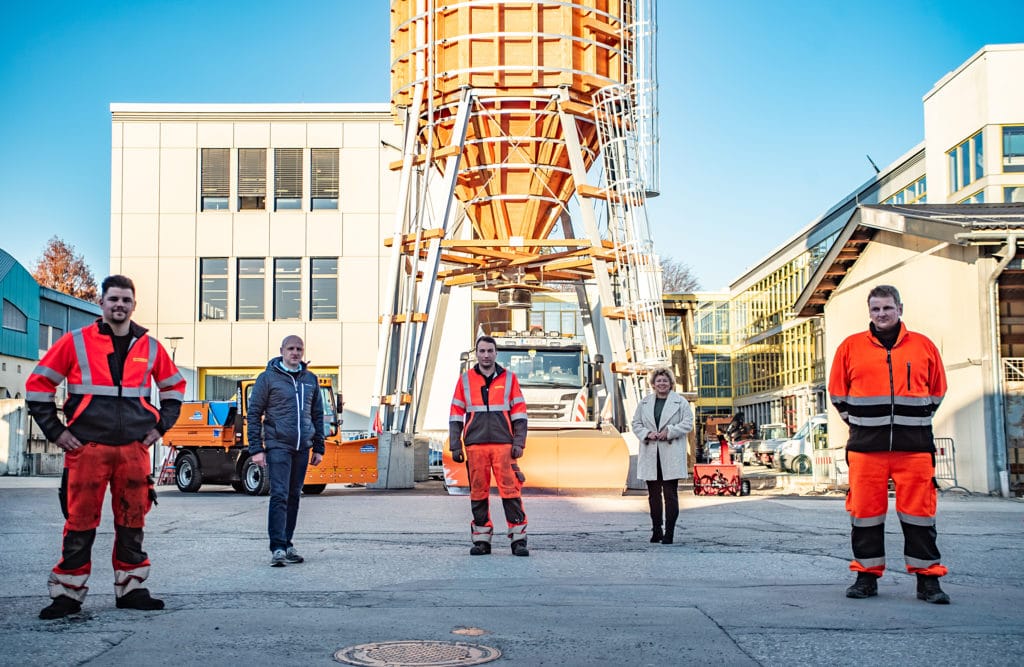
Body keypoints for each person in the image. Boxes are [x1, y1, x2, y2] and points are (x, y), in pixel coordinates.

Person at [26, 274, 185, 619]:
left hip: (133, 449)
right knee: (79, 521)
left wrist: (159, 427)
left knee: (133, 520)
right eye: (113, 299)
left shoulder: (151, 347)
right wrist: (57, 433)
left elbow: (174, 389)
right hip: (87, 448)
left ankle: (132, 588)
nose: (119, 305)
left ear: (133, 305)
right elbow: (38, 387)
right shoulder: (74, 342)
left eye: (126, 300)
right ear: (101, 303)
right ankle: (68, 594)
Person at [828, 285, 950, 604]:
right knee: (865, 514)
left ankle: (928, 581)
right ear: (869, 312)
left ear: (900, 308)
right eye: (875, 309)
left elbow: (937, 391)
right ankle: (866, 577)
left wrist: (914, 420)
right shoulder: (850, 347)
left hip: (915, 449)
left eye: (887, 308)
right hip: (867, 449)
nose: (882, 314)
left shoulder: (923, 346)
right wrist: (862, 425)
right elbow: (838, 394)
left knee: (920, 515)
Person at [248, 335, 325, 567]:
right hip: (278, 445)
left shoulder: (310, 379)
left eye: (299, 348)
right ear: (281, 350)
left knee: (294, 496)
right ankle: (278, 547)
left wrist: (319, 447)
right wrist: (256, 449)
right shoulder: (268, 378)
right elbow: (254, 413)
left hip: (302, 447)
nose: (295, 352)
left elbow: (317, 415)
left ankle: (288, 543)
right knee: (279, 495)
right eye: (290, 348)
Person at [449, 335, 530, 556]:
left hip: (504, 445)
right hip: (475, 446)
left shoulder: (510, 379)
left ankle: (519, 540)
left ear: (496, 353)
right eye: (482, 351)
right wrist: (455, 445)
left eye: (489, 351)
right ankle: (482, 541)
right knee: (478, 493)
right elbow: (456, 414)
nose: (486, 355)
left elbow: (520, 414)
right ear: (476, 353)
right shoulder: (465, 380)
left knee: (511, 492)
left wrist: (519, 442)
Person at [631, 366, 694, 545]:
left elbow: (688, 423)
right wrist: (646, 433)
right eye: (658, 381)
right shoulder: (644, 403)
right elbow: (636, 423)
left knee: (670, 494)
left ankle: (670, 532)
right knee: (653, 495)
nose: (662, 383)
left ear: (671, 383)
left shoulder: (680, 402)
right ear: (653, 384)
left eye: (665, 380)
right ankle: (656, 529)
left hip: (670, 452)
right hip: (651, 452)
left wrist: (670, 431)